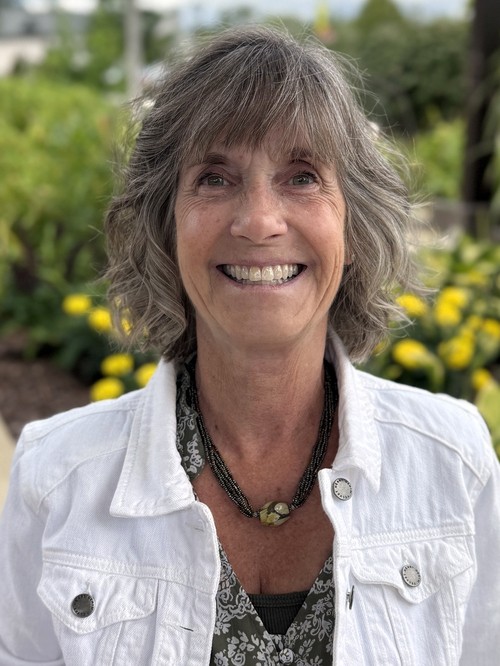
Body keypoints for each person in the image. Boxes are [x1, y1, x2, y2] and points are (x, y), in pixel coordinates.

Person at [1, 26, 499, 665]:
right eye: (214, 178)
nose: (259, 221)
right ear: (165, 224)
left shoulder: (452, 462)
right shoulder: (57, 478)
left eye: (302, 177)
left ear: (353, 222)